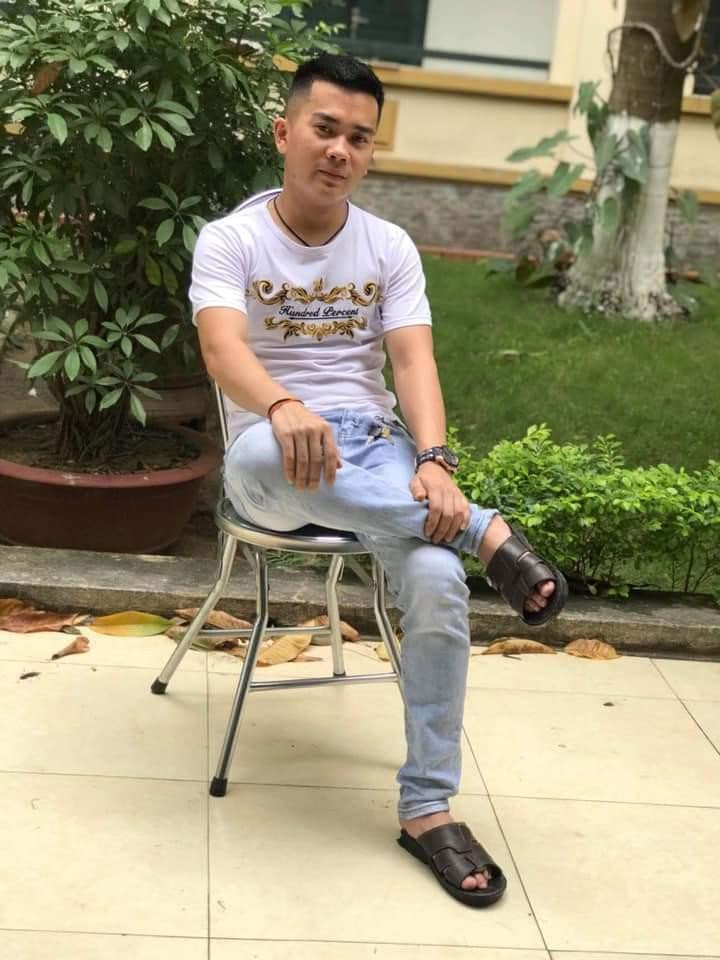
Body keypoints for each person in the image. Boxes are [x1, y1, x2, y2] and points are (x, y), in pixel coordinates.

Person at [190, 53, 567, 907]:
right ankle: (486, 530)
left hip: (375, 453)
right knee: (269, 453)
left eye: (359, 138)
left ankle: (427, 808)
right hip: (271, 456)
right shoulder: (231, 240)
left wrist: (432, 461)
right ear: (285, 132)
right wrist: (284, 405)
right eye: (325, 129)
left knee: (437, 581)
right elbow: (221, 349)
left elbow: (413, 361)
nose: (340, 150)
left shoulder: (388, 245)